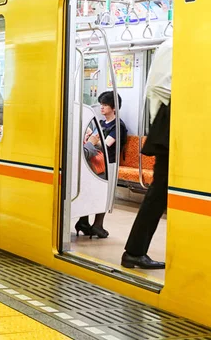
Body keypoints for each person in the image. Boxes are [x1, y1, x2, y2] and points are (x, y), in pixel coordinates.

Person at [122, 38, 173, 269]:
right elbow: (160, 88)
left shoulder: (172, 44)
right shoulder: (174, 45)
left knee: (158, 193)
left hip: (167, 127)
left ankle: (134, 251)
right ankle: (134, 251)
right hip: (169, 127)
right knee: (158, 193)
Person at [75, 91, 127, 239]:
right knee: (88, 190)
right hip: (95, 162)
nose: (101, 108)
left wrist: (93, 140)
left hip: (108, 164)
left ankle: (96, 224)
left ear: (114, 107)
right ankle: (85, 222)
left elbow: (106, 145)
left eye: (105, 105)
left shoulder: (118, 126)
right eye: (101, 104)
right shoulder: (101, 123)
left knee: (103, 194)